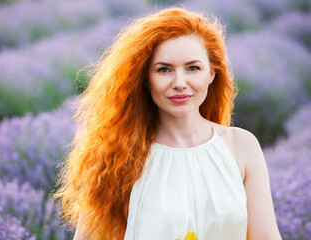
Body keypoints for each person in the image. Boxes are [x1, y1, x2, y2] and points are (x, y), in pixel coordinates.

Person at [54, 7, 282, 240]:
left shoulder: (241, 146)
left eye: (193, 68)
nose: (180, 82)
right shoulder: (117, 157)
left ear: (212, 73)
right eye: (164, 70)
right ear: (145, 78)